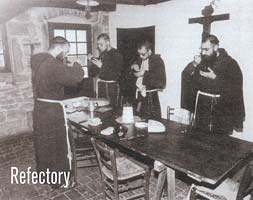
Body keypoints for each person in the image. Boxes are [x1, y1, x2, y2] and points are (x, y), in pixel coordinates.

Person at [31, 36, 86, 188]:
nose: (66, 55)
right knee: (58, 146)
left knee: (44, 145)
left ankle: (45, 176)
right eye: (66, 51)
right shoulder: (52, 64)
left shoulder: (38, 60)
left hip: (40, 108)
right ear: (60, 48)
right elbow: (75, 78)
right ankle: (61, 181)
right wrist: (77, 64)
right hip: (52, 112)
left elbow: (54, 80)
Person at [182, 34, 245, 134]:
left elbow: (235, 89)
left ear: (216, 47)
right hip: (202, 108)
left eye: (206, 49)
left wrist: (215, 78)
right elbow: (186, 77)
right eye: (202, 49)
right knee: (199, 140)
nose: (203, 52)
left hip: (221, 110)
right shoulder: (203, 60)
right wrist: (194, 64)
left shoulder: (230, 63)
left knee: (218, 142)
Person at [132, 39, 166, 120]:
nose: (140, 57)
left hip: (151, 98)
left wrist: (145, 74)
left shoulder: (158, 61)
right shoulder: (141, 59)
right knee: (139, 121)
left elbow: (161, 82)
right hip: (140, 96)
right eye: (139, 54)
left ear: (150, 51)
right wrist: (133, 66)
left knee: (152, 123)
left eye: (143, 54)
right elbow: (133, 74)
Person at [88, 33, 123, 109]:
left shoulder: (117, 55)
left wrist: (101, 66)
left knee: (112, 110)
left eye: (101, 44)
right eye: (98, 45)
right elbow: (93, 74)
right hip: (101, 86)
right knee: (101, 109)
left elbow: (117, 74)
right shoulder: (102, 54)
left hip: (112, 88)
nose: (99, 47)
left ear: (108, 42)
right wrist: (92, 62)